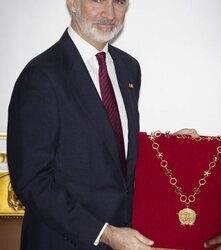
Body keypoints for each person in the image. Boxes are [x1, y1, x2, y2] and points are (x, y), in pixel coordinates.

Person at [7, 0, 197, 249]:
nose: (109, 13)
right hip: (62, 241)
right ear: (73, 3)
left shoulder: (129, 68)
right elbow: (32, 181)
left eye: (118, 1)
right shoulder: (41, 75)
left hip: (125, 237)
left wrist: (167, 148)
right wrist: (104, 233)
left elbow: (113, 151)